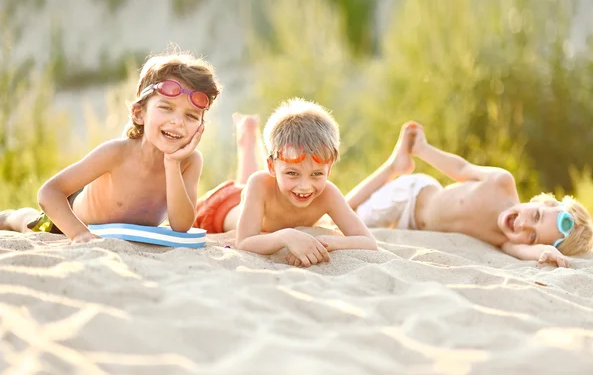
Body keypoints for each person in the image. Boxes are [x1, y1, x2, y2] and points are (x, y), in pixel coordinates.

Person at [0, 50, 221, 243]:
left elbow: (181, 225)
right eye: (166, 108)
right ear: (139, 113)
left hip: (123, 234)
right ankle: (10, 216)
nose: (178, 122)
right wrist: (78, 233)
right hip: (69, 222)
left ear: (201, 126)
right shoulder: (116, 152)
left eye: (191, 116)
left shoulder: (190, 162)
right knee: (29, 223)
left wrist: (172, 163)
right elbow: (49, 193)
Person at [346, 121, 593, 268]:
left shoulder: (503, 240)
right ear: (539, 202)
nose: (523, 225)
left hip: (410, 225)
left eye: (532, 237)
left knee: (354, 224)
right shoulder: (501, 183)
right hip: (412, 196)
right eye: (537, 216)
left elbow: (524, 253)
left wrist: (547, 253)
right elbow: (461, 168)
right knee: (346, 213)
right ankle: (394, 165)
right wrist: (423, 149)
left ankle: (394, 167)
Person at [194, 98, 377, 267]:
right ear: (272, 167)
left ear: (329, 169)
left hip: (261, 194)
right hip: (224, 207)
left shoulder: (329, 194)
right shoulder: (260, 183)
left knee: (250, 184)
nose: (305, 186)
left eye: (316, 174)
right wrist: (285, 236)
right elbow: (244, 241)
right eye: (292, 173)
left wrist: (327, 243)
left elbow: (368, 242)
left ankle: (249, 135)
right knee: (251, 181)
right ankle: (247, 139)